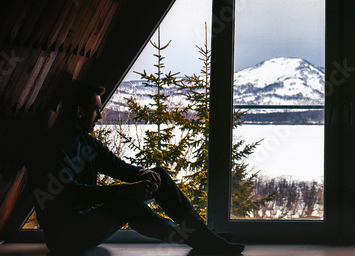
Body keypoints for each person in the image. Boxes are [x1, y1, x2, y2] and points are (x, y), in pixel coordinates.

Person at [26, 80, 245, 255]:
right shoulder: (46, 148)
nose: (100, 116)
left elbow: (117, 167)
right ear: (79, 112)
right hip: (65, 239)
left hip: (89, 225)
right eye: (96, 110)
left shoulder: (85, 142)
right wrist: (125, 190)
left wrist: (141, 173)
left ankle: (201, 234)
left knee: (157, 173)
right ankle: (195, 239)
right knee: (125, 203)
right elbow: (71, 195)